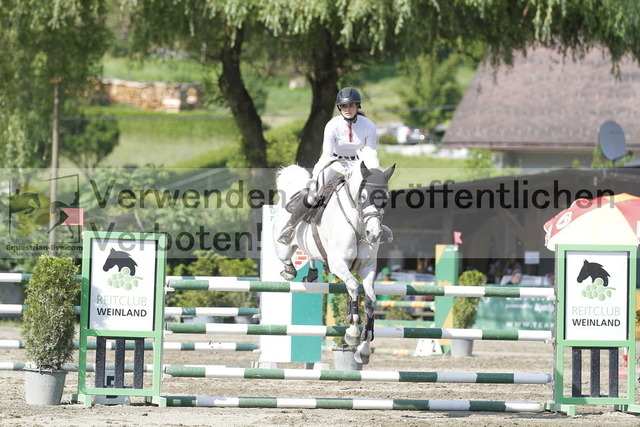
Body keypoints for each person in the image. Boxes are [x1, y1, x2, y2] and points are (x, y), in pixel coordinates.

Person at [277, 87, 392, 244]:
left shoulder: (369, 126)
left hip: (356, 164)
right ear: (339, 108)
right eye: (344, 106)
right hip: (333, 162)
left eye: (351, 105)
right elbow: (328, 154)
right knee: (314, 193)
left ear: (357, 106)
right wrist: (341, 169)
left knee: (373, 191)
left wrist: (373, 172)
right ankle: (290, 226)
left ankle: (378, 227)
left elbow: (371, 152)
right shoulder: (332, 125)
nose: (347, 109)